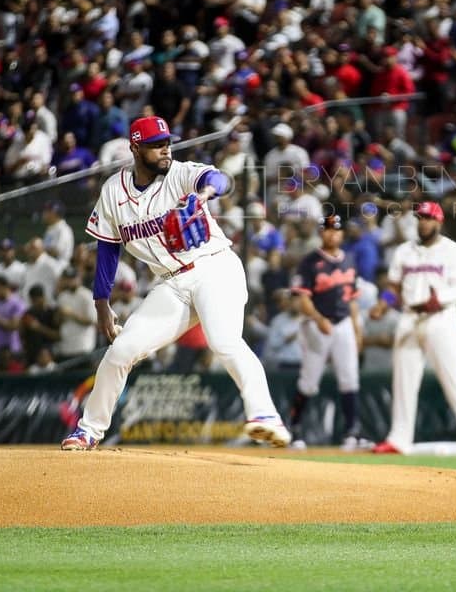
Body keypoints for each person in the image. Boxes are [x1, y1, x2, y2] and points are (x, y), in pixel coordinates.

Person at [62, 116, 290, 450]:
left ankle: (266, 416)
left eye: (167, 142)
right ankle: (88, 431)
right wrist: (101, 303)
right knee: (120, 351)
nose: (165, 149)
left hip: (215, 268)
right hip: (173, 284)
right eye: (156, 145)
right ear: (135, 148)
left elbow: (218, 178)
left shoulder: (179, 174)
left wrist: (204, 195)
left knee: (225, 342)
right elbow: (109, 247)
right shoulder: (113, 191)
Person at [373, 201, 456, 456]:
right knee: (403, 380)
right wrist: (383, 305)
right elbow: (393, 287)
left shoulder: (453, 251)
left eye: (428, 218)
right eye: (420, 217)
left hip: (441, 318)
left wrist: (440, 298)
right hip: (410, 316)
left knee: (453, 378)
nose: (423, 222)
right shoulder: (404, 251)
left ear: (439, 221)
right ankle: (398, 439)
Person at [287, 213, 369, 450]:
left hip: (343, 323)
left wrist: (357, 329)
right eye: (328, 229)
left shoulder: (350, 259)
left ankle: (352, 433)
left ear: (342, 234)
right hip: (316, 325)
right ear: (321, 232)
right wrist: (318, 318)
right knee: (309, 381)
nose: (332, 233)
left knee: (350, 378)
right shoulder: (309, 262)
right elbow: (302, 299)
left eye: (336, 230)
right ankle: (295, 428)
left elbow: (352, 300)